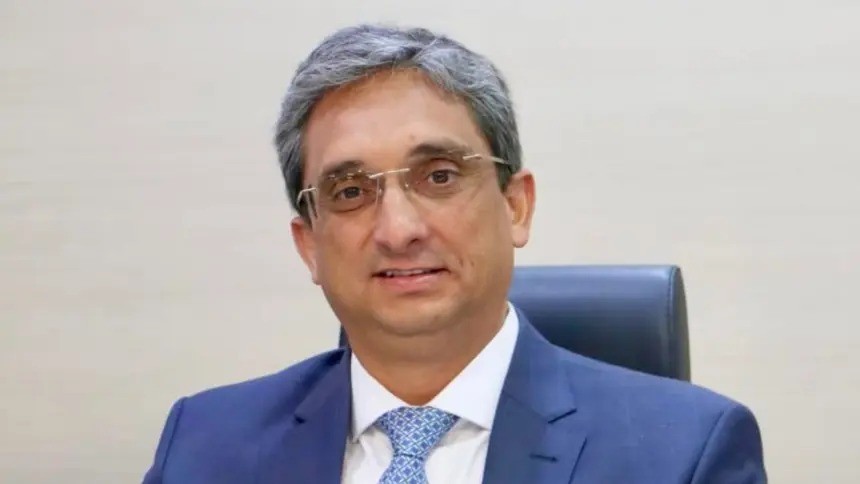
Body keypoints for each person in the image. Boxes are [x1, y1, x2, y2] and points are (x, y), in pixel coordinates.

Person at [142, 24, 766, 483]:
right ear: (309, 246)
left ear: (515, 205)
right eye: (351, 191)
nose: (399, 229)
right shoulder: (205, 448)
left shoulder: (684, 454)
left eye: (439, 176)